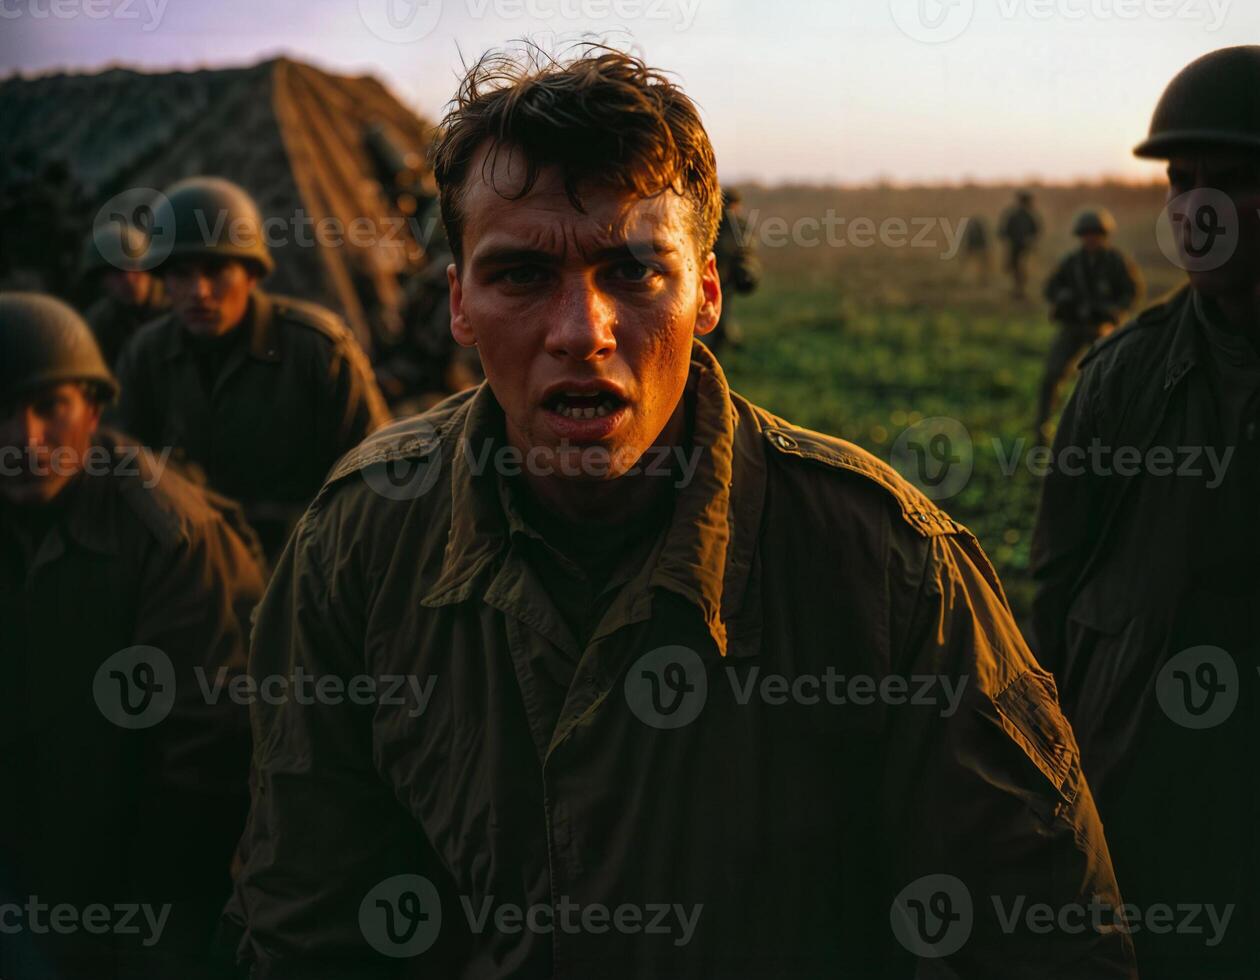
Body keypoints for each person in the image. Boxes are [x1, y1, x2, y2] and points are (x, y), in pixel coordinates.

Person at [226, 47, 1135, 977]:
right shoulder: (358, 544)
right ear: (457, 302)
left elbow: (1044, 941)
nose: (582, 332)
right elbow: (311, 919)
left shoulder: (890, 570)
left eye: (632, 271)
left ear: (706, 290)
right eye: (520, 276)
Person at [1032, 45, 1260, 979]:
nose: (1197, 210)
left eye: (1234, 182)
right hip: (1144, 807)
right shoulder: (1123, 380)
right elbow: (1051, 598)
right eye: (1181, 182)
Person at [0, 293, 265, 979]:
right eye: (2, 412)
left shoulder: (168, 533)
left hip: (142, 889)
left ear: (92, 409)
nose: (24, 442)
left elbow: (210, 752)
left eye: (49, 408)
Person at [115, 177, 391, 564]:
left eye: (216, 271)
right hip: (200, 561)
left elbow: (376, 477)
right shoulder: (146, 354)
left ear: (251, 273)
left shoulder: (316, 348)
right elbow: (126, 473)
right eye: (181, 273)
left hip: (315, 554)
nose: (199, 291)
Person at [1033, 209, 1141, 441]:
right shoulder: (1071, 262)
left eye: (1095, 234)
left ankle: (1115, 432)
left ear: (1104, 235)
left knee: (1110, 380)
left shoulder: (1116, 261)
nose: (1090, 239)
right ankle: (1042, 428)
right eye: (1086, 234)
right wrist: (1064, 297)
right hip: (1073, 326)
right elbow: (1050, 288)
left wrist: (1112, 309)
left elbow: (1131, 292)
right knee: (1052, 375)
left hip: (1102, 328)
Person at [78, 223, 169, 369]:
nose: (128, 280)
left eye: (134, 267)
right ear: (102, 280)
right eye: (116, 272)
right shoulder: (99, 322)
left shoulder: (177, 308)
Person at [700, 187, 760, 357]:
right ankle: (720, 345)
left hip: (708, 274)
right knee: (718, 312)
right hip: (723, 275)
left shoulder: (707, 220)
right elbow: (745, 250)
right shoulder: (737, 223)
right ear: (735, 204)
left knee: (714, 311)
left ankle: (721, 342)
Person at [998, 189, 1042, 299]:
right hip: (1017, 246)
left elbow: (1036, 231)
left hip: (1021, 247)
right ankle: (1018, 291)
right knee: (1016, 268)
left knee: (1017, 268)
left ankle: (1019, 291)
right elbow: (1004, 231)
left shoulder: (1022, 215)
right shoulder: (1023, 216)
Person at [959, 214, 991, 285]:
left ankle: (981, 279)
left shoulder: (974, 229)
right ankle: (981, 279)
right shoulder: (977, 229)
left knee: (981, 265)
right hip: (977, 247)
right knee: (982, 264)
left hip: (977, 247)